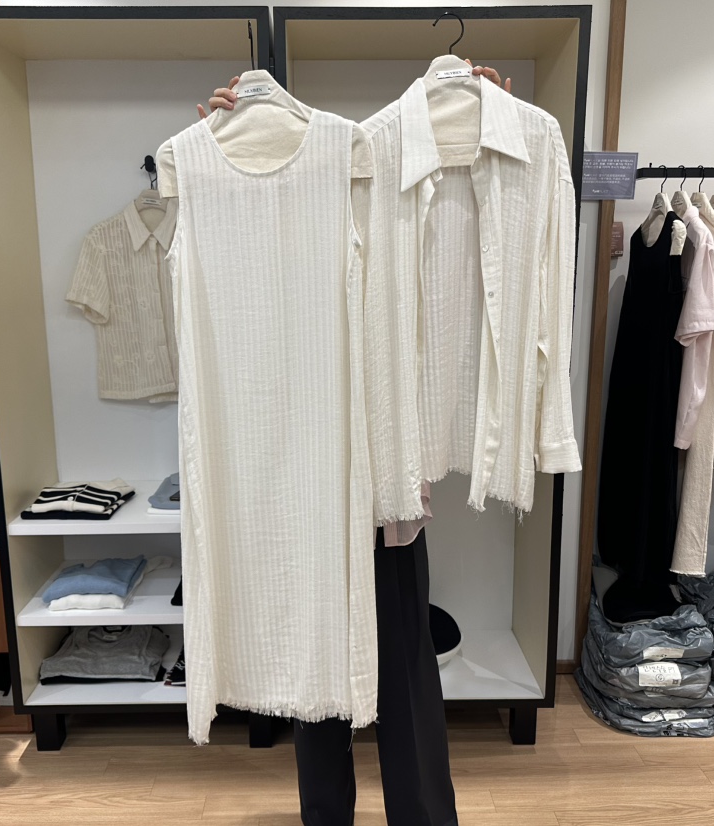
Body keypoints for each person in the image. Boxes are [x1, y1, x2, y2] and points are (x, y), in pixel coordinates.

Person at [199, 63, 511, 826]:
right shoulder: (292, 181)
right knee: (320, 680)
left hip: (382, 479)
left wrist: (476, 129)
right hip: (304, 473)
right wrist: (226, 154)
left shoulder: (375, 159)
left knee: (402, 671)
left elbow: (448, 267)